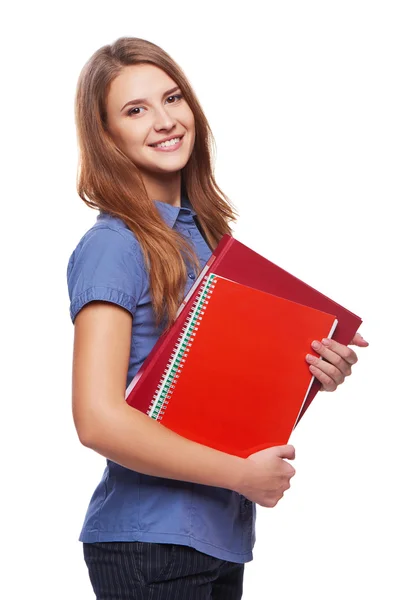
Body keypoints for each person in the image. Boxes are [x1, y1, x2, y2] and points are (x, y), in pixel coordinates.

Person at [66, 36, 369, 600]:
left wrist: (309, 370)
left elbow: (214, 388)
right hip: (151, 543)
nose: (164, 121)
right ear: (107, 137)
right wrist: (241, 476)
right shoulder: (115, 245)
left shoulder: (206, 242)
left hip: (215, 537)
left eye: (172, 99)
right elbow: (97, 419)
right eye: (135, 110)